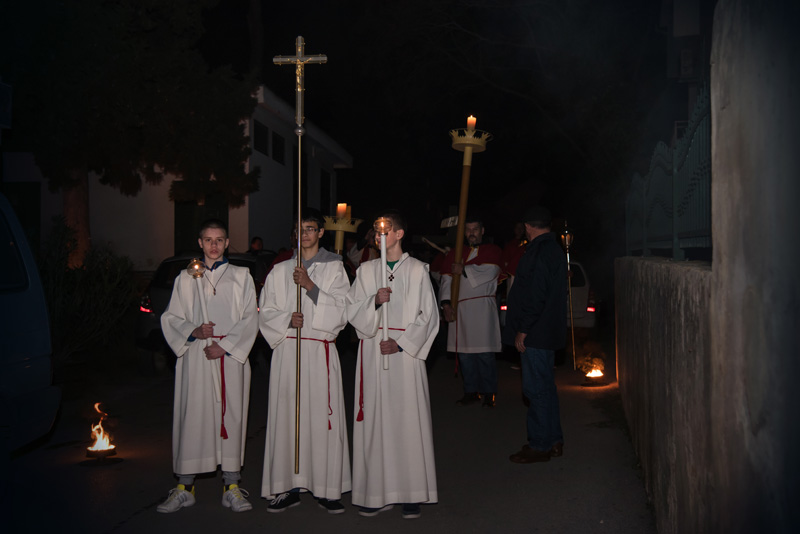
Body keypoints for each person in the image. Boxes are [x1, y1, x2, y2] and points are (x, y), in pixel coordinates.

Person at [158, 219, 259, 512]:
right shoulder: (186, 278)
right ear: (200, 243)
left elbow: (250, 318)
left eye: (219, 240)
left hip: (229, 357)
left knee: (231, 419)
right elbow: (170, 317)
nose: (214, 245)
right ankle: (184, 487)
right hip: (197, 357)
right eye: (208, 240)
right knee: (194, 417)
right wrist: (193, 330)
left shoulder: (242, 276)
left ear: (227, 243)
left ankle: (232, 485)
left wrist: (225, 346)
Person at [346, 210, 439, 520]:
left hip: (405, 357)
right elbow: (352, 310)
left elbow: (429, 316)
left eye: (385, 230)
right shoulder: (366, 271)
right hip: (373, 351)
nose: (378, 235)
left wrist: (401, 343)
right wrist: (373, 301)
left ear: (399, 234)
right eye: (376, 231)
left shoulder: (416, 271)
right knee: (375, 422)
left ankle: (410, 493)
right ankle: (376, 492)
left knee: (406, 422)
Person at [258, 208, 352, 514]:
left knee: (321, 422)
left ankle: (326, 488)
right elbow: (266, 311)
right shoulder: (279, 269)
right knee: (288, 420)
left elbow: (342, 311)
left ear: (321, 232)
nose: (305, 234)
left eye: (310, 228)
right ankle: (287, 487)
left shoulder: (335, 267)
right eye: (299, 229)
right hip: (288, 353)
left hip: (319, 352)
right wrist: (287, 319)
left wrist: (310, 286)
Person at [503, 206, 567, 463]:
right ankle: (554, 440)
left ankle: (540, 445)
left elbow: (536, 294)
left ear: (528, 226)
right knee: (546, 389)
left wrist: (523, 329)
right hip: (546, 331)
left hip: (537, 333)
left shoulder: (539, 252)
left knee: (536, 390)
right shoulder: (554, 249)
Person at [439, 217, 503, 408]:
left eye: (475, 228)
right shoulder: (455, 254)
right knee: (465, 354)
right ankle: (470, 391)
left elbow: (490, 272)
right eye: (467, 230)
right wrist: (446, 304)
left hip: (482, 309)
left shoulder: (492, 251)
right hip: (460, 309)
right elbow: (446, 281)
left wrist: (464, 270)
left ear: (482, 231)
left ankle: (489, 392)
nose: (471, 233)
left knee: (484, 354)